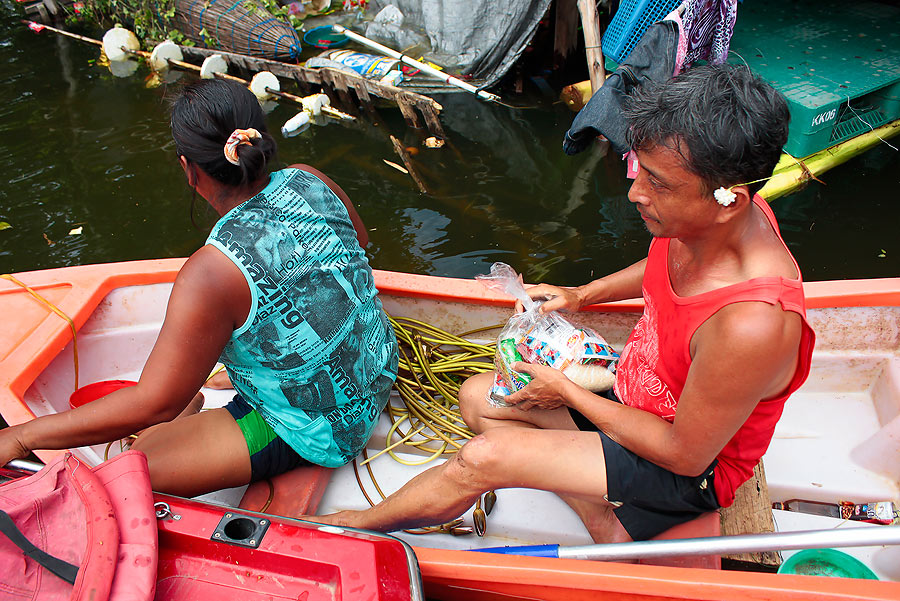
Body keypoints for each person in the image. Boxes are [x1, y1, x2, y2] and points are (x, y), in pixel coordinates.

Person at [314, 64, 815, 542]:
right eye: (640, 170)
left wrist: (566, 390)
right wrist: (581, 294)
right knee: (476, 399)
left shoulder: (752, 325)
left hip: (689, 465)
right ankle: (601, 511)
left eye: (658, 183)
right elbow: (668, 263)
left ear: (731, 200)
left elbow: (684, 454)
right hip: (636, 396)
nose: (635, 192)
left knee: (484, 458)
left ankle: (355, 525)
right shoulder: (714, 220)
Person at [0, 79, 399, 497]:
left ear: (188, 169)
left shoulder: (211, 272)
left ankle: (263, 429)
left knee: (128, 473)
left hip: (323, 426)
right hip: (379, 365)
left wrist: (22, 437)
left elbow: (157, 404)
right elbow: (359, 241)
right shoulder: (308, 178)